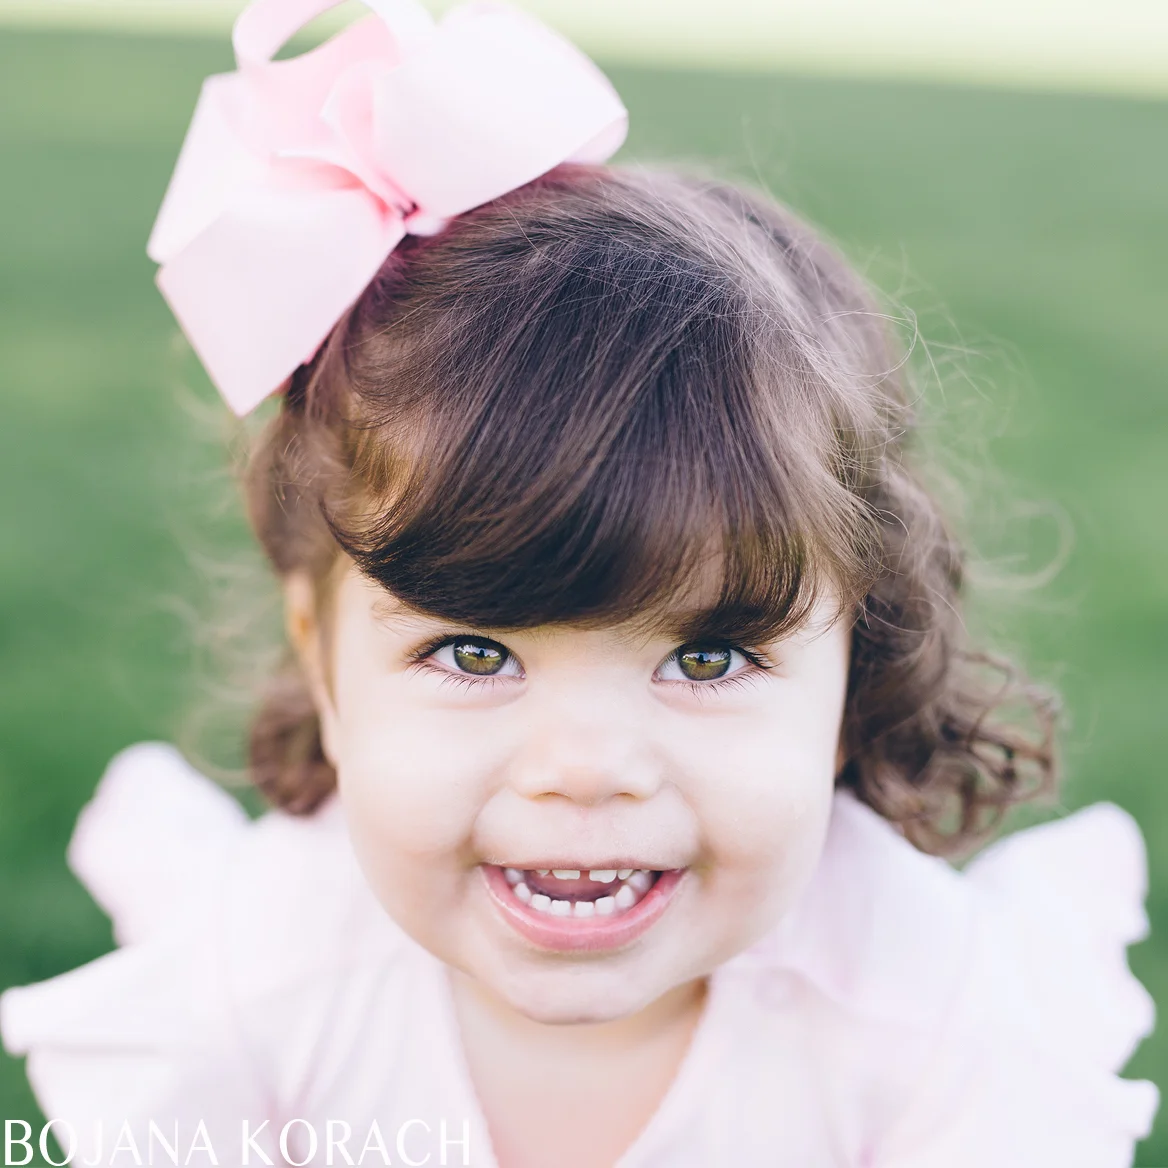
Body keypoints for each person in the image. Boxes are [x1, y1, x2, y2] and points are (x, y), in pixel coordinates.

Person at [0, 0, 1158, 1164]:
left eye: (706, 657)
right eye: (473, 652)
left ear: (857, 662)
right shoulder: (252, 993)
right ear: (322, 661)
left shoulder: (930, 1021)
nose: (585, 768)